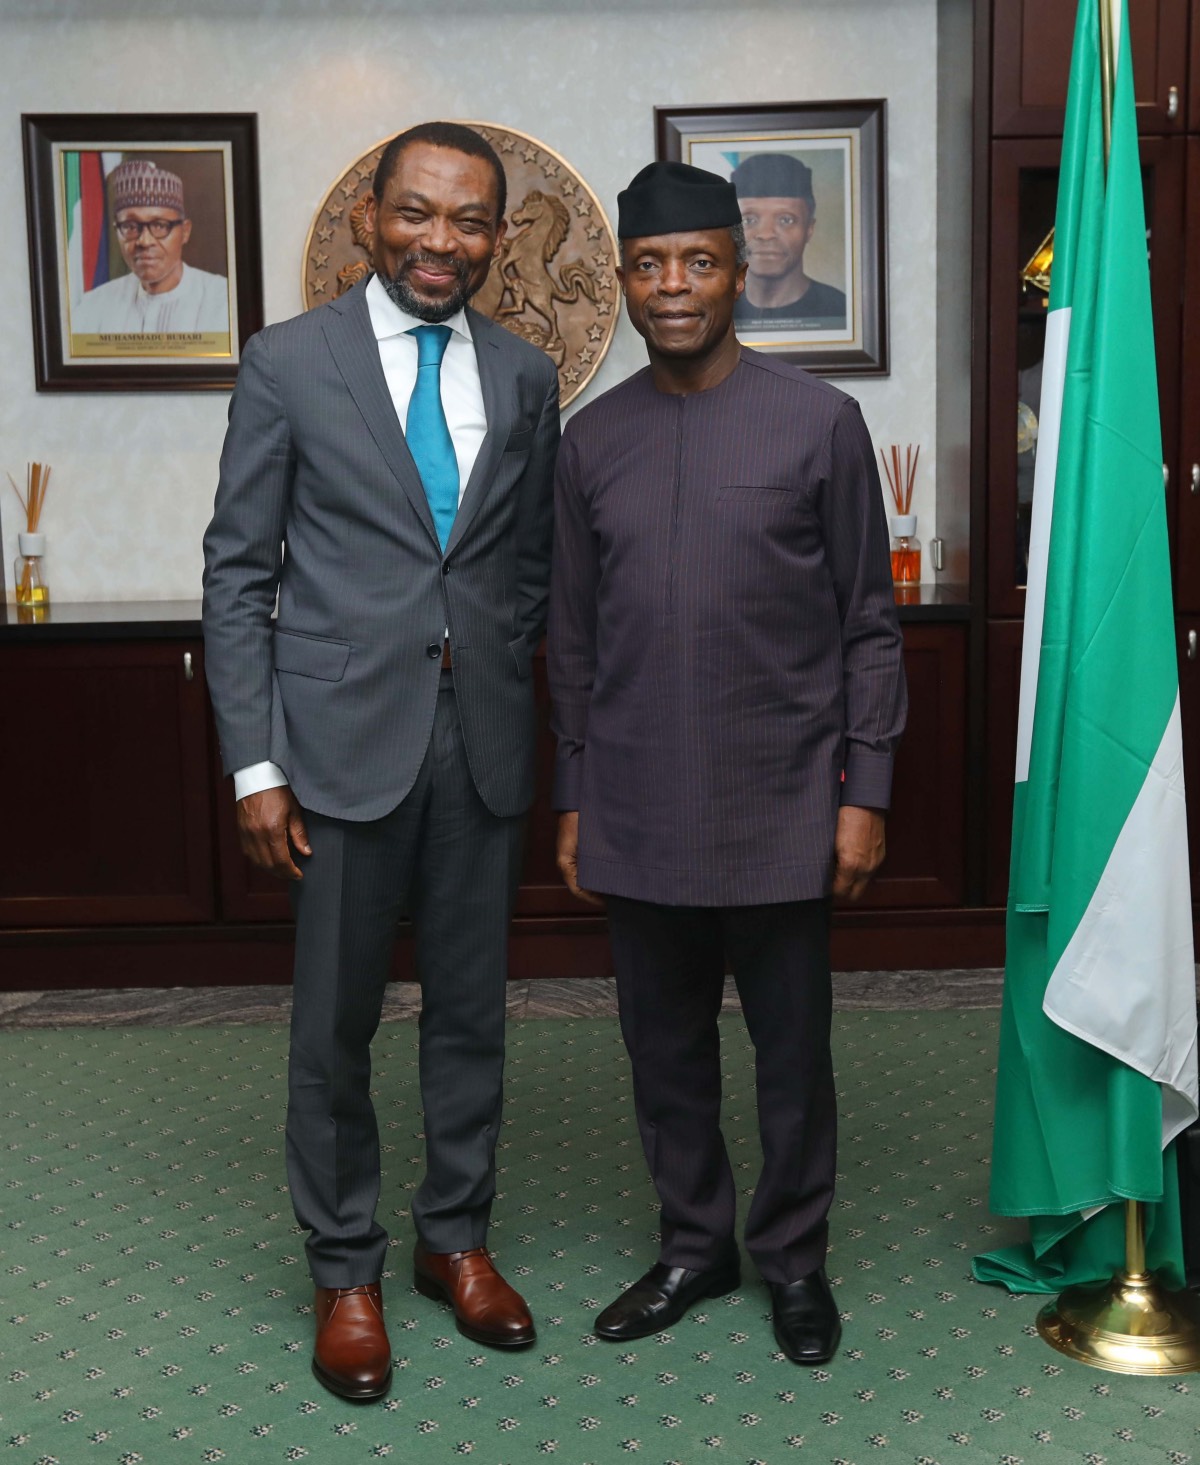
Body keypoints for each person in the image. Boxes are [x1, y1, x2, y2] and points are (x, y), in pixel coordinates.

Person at [202, 122, 560, 1401]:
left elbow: (524, 572)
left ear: (497, 239)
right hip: (339, 749)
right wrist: (256, 765)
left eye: (469, 222)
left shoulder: (525, 375)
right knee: (336, 1026)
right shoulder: (288, 363)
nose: (441, 242)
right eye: (417, 214)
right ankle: (343, 1264)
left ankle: (454, 1239)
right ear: (369, 215)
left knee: (472, 1015)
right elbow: (239, 574)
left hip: (484, 750)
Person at [548, 160, 905, 1365]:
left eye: (698, 261)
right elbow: (576, 641)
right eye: (650, 266)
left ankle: (794, 1259)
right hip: (640, 806)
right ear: (625, 283)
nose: (674, 285)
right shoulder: (591, 442)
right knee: (664, 1055)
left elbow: (868, 622)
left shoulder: (819, 424)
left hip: (787, 806)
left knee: (792, 1058)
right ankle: (695, 1246)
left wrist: (869, 792)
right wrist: (576, 797)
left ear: (738, 270)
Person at [71, 159, 229, 335]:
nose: (144, 241)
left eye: (160, 226)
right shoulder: (93, 307)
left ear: (185, 231)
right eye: (130, 227)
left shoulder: (224, 302)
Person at [731, 152, 847, 330]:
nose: (766, 234)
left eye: (786, 220)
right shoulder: (715, 311)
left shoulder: (841, 311)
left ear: (809, 228)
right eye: (748, 220)